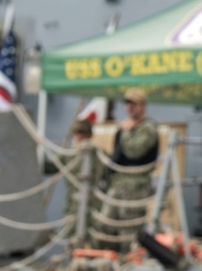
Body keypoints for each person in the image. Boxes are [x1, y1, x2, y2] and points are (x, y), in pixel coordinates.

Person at [96, 87, 159, 253]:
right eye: (128, 104)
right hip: (118, 183)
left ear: (143, 105)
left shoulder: (148, 128)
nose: (130, 108)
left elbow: (134, 151)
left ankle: (128, 259)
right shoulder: (126, 126)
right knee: (105, 224)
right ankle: (107, 257)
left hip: (135, 184)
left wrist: (126, 132)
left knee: (129, 229)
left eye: (134, 104)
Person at [62, 118, 106, 251]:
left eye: (82, 132)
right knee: (71, 240)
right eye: (76, 133)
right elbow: (49, 166)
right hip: (73, 206)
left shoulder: (99, 155)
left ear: (89, 134)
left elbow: (108, 176)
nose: (79, 136)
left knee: (96, 240)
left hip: (94, 206)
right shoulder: (69, 155)